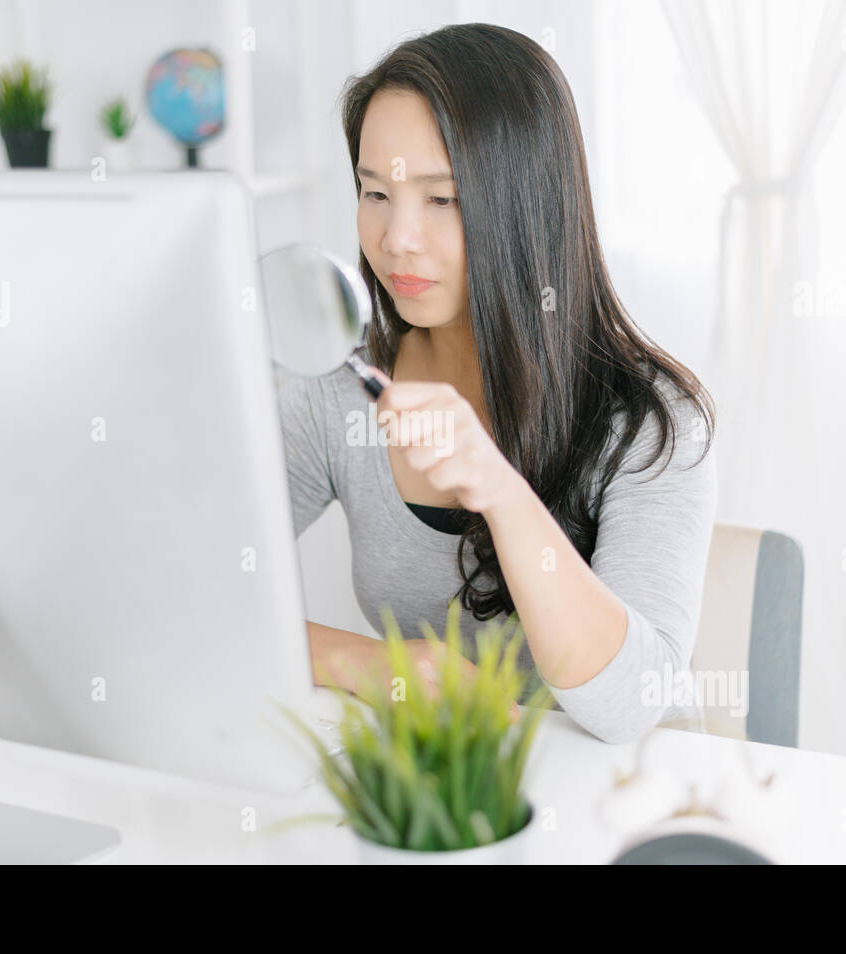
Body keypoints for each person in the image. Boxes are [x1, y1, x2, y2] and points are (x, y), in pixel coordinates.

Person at [279, 23, 717, 744]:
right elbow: (198, 583)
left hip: (623, 804)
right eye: (375, 192)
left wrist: (499, 487)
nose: (397, 239)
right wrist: (377, 665)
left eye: (441, 199)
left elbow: (636, 707)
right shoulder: (341, 387)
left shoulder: (651, 421)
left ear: (524, 205)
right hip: (450, 796)